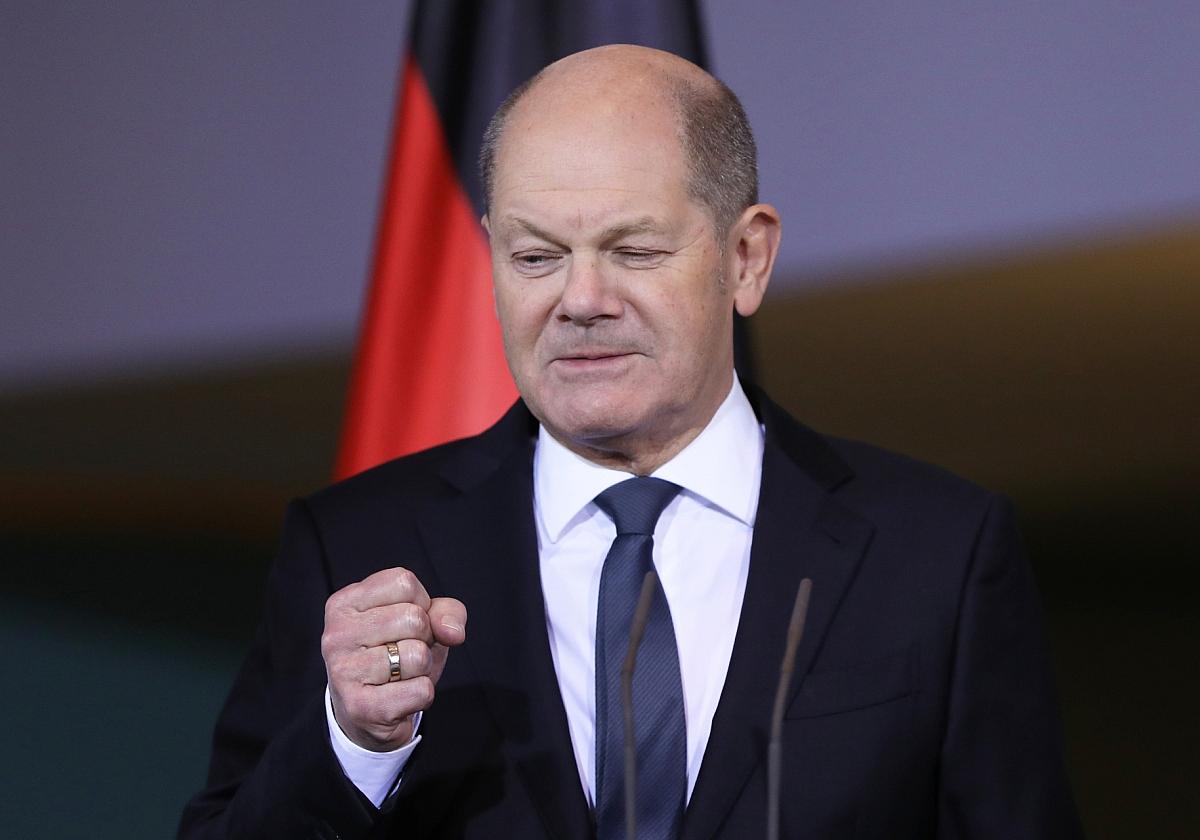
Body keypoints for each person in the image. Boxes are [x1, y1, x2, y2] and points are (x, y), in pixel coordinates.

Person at [179, 45, 1082, 839]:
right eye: (536, 257)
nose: (580, 300)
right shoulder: (355, 547)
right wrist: (353, 746)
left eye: (635, 251)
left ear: (746, 259)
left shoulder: (938, 554)